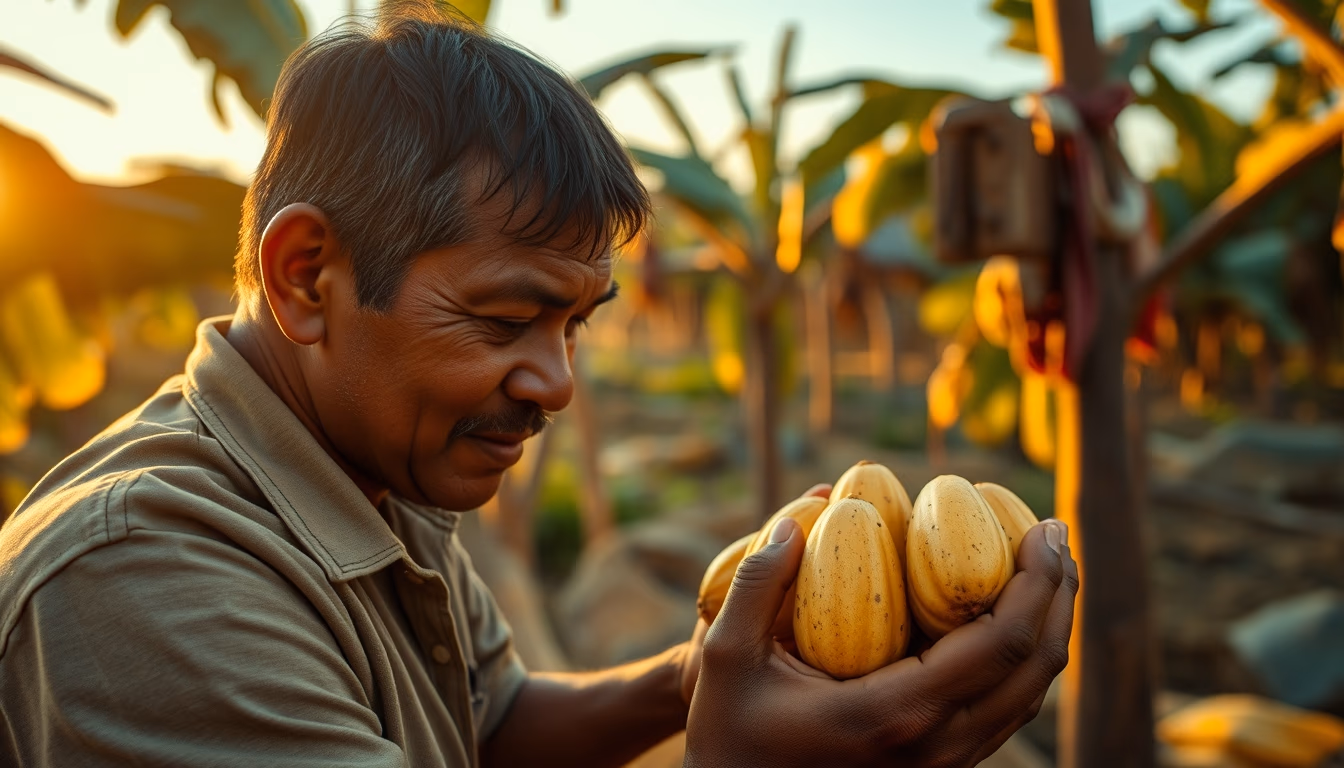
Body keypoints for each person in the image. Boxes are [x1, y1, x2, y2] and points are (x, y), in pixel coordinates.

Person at [0, 2, 1078, 765]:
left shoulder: (364, 467)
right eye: (507, 319)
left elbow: (496, 725)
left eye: (575, 325)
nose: (556, 383)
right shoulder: (142, 589)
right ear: (306, 278)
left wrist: (714, 666)